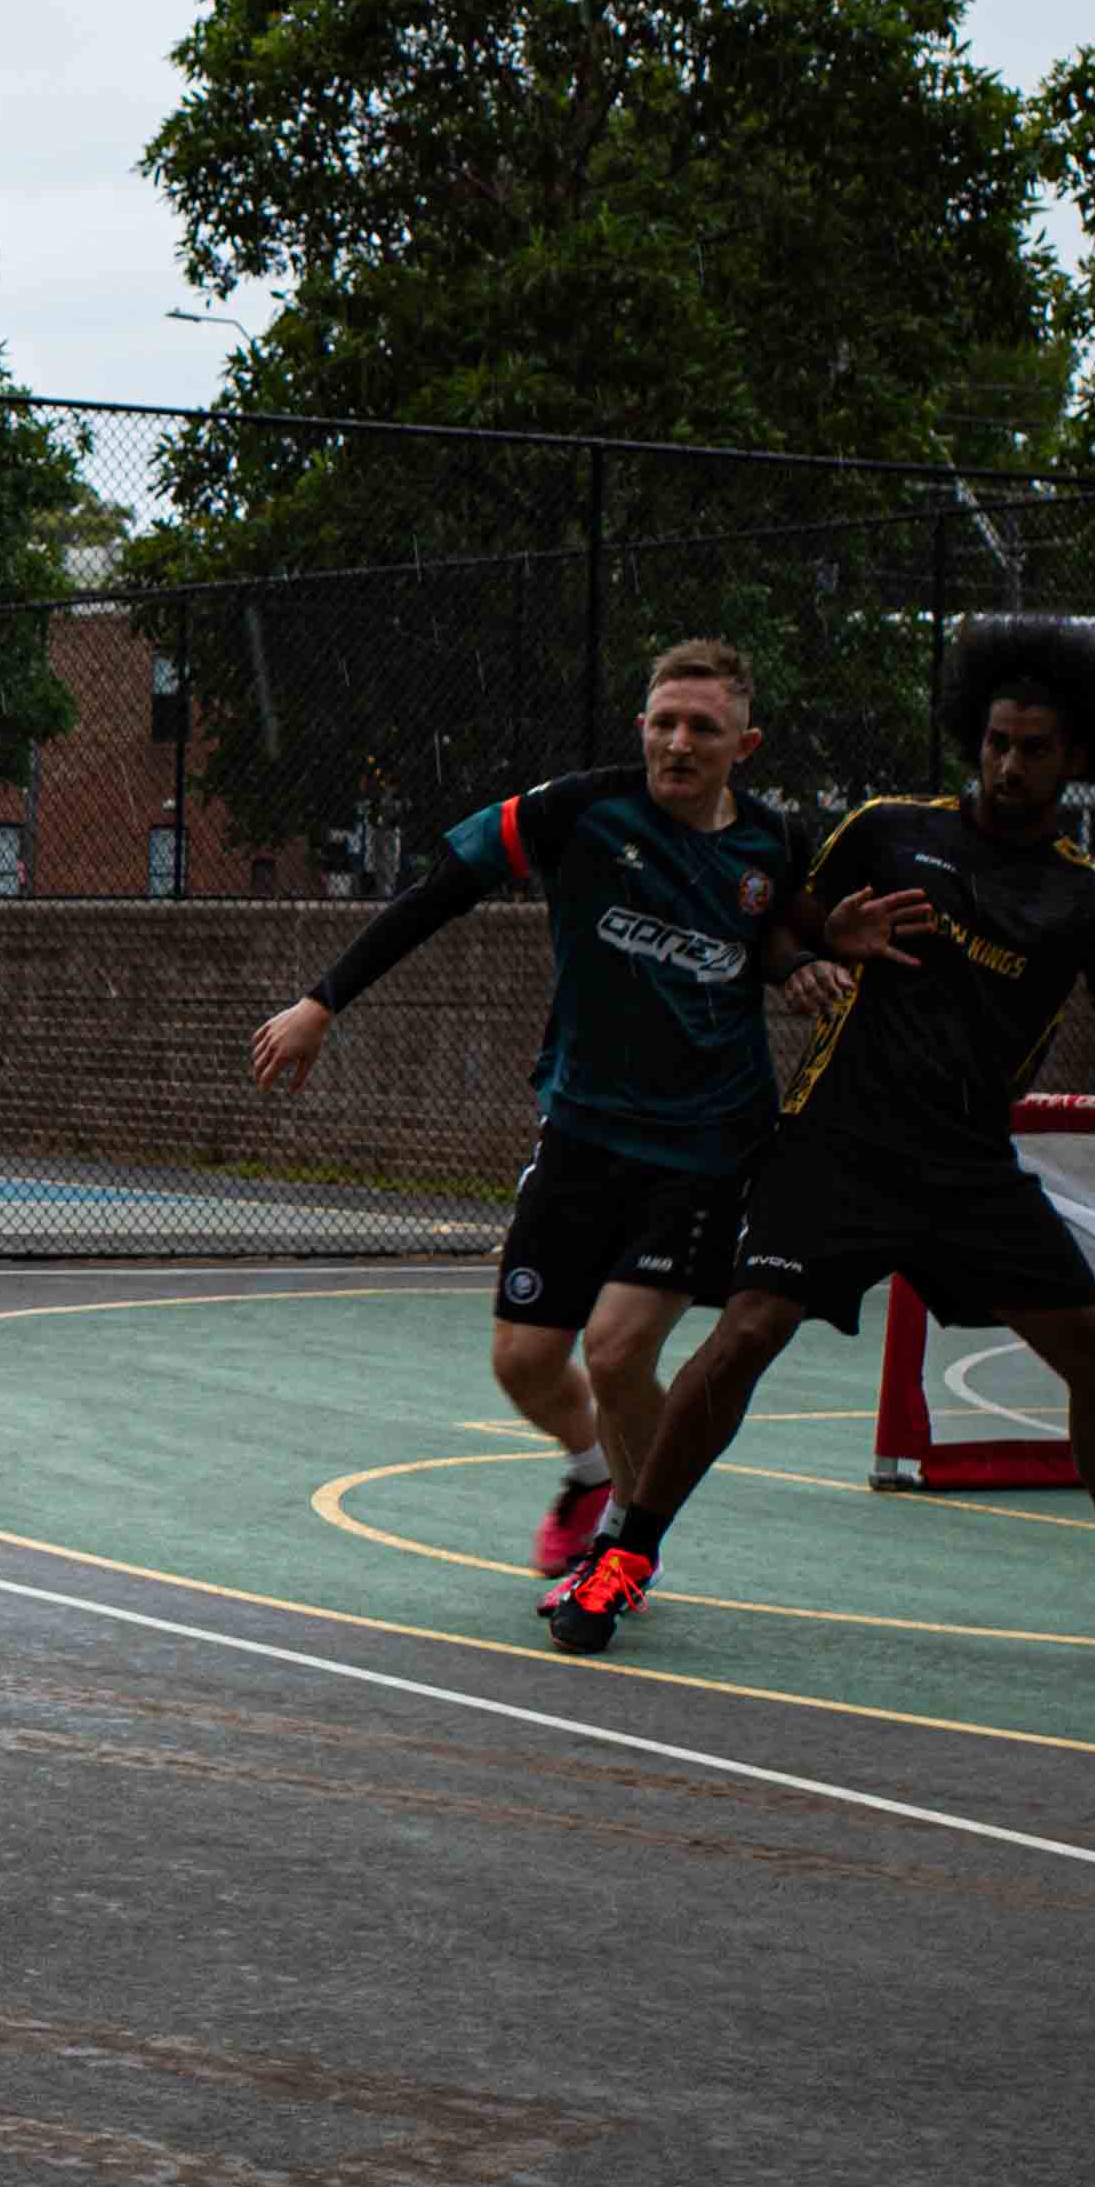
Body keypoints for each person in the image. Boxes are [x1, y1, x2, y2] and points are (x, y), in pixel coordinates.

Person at [545, 615, 1095, 1677]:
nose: (1009, 764)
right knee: (742, 1335)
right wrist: (825, 941)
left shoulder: (1091, 902)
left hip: (968, 1170)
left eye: (1035, 748)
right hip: (838, 1145)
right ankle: (625, 1557)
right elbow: (780, 928)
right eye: (997, 741)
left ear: (1080, 757)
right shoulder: (888, 829)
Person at [247, 640, 832, 1584]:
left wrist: (803, 962)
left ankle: (626, 1551)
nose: (679, 743)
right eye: (665, 724)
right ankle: (593, 1472)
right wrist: (324, 1002)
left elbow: (774, 935)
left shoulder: (772, 843)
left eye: (704, 729)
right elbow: (440, 891)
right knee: (524, 1361)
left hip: (708, 1143)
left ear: (745, 743)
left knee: (616, 1349)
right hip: (584, 1130)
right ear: (642, 727)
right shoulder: (580, 812)